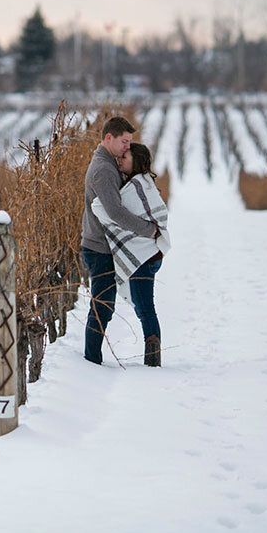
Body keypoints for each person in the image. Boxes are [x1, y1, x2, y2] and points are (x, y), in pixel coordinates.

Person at [82, 117, 161, 366]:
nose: (127, 146)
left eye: (129, 142)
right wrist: (147, 230)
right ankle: (90, 362)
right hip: (99, 247)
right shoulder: (104, 169)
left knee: (105, 305)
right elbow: (114, 211)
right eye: (124, 141)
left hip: (104, 246)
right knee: (102, 306)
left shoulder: (109, 164)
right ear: (109, 138)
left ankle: (92, 360)